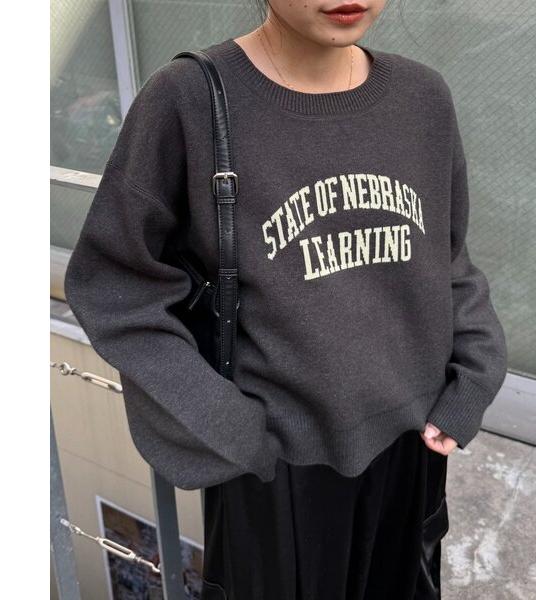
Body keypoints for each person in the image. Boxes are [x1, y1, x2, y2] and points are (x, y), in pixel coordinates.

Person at [63, 1, 508, 598]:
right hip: (276, 476)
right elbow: (114, 286)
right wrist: (227, 427)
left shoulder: (422, 97)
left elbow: (447, 257)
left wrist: (474, 376)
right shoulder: (188, 99)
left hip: (413, 452)